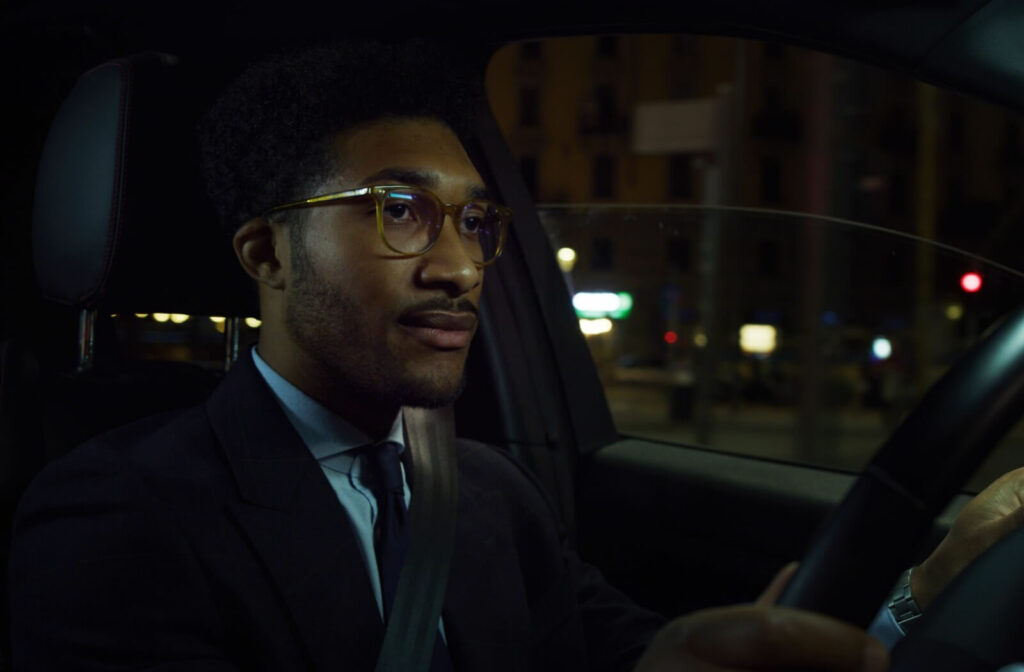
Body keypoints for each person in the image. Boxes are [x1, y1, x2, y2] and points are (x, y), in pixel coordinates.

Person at [9, 39, 1024, 671]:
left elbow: (645, 658)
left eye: (477, 222)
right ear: (268, 253)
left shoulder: (485, 492)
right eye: (399, 211)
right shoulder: (116, 517)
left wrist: (920, 588)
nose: (461, 269)